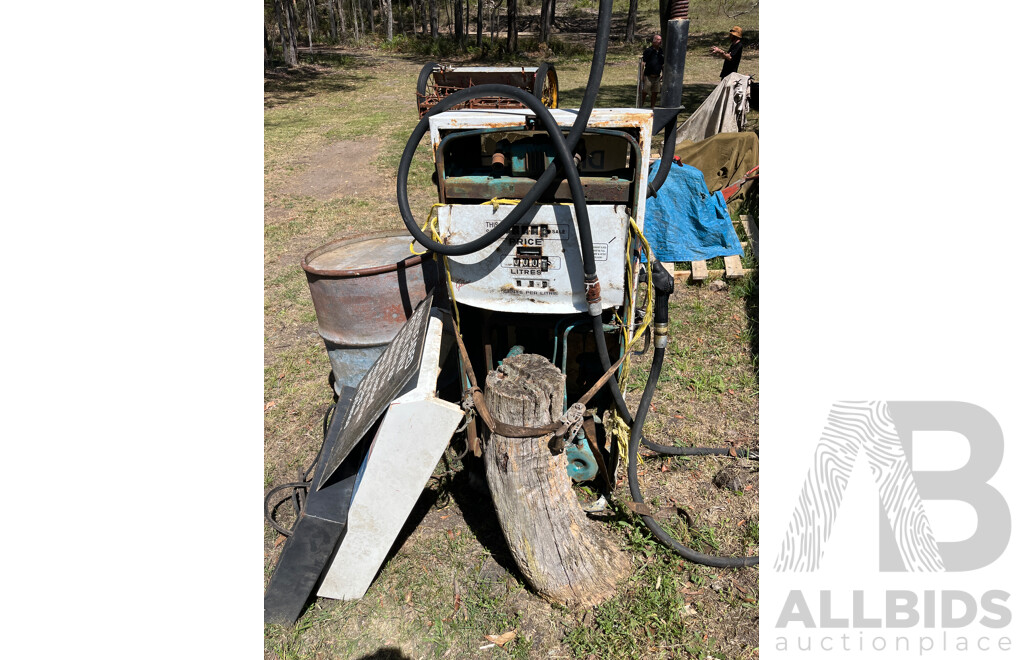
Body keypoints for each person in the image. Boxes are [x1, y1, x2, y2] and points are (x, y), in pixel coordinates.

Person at [640, 34, 664, 109]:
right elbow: (643, 63)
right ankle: (640, 106)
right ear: (654, 41)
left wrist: (663, 73)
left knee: (655, 93)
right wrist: (641, 75)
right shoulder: (648, 51)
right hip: (648, 76)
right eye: (658, 40)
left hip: (657, 76)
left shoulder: (661, 51)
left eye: (660, 40)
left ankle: (652, 107)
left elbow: (662, 63)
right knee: (645, 92)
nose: (660, 42)